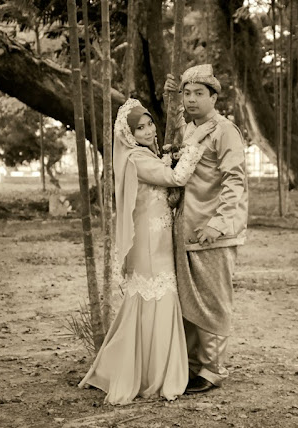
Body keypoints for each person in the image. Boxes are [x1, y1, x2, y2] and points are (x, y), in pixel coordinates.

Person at [78, 98, 216, 405]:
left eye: (150, 123)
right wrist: (194, 145)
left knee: (155, 297)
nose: (149, 131)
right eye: (140, 128)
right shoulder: (135, 158)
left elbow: (163, 175)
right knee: (158, 295)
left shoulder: (144, 155)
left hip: (157, 238)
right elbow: (176, 178)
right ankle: (156, 374)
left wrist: (171, 156)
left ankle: (149, 368)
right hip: (150, 244)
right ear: (129, 134)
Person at [164, 64, 249, 394]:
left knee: (212, 299)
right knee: (189, 300)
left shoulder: (225, 131)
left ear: (214, 97)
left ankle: (212, 369)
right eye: (187, 93)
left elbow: (235, 180)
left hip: (213, 231)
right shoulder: (190, 129)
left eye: (199, 93)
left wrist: (219, 222)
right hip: (187, 228)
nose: (191, 99)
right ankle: (192, 365)